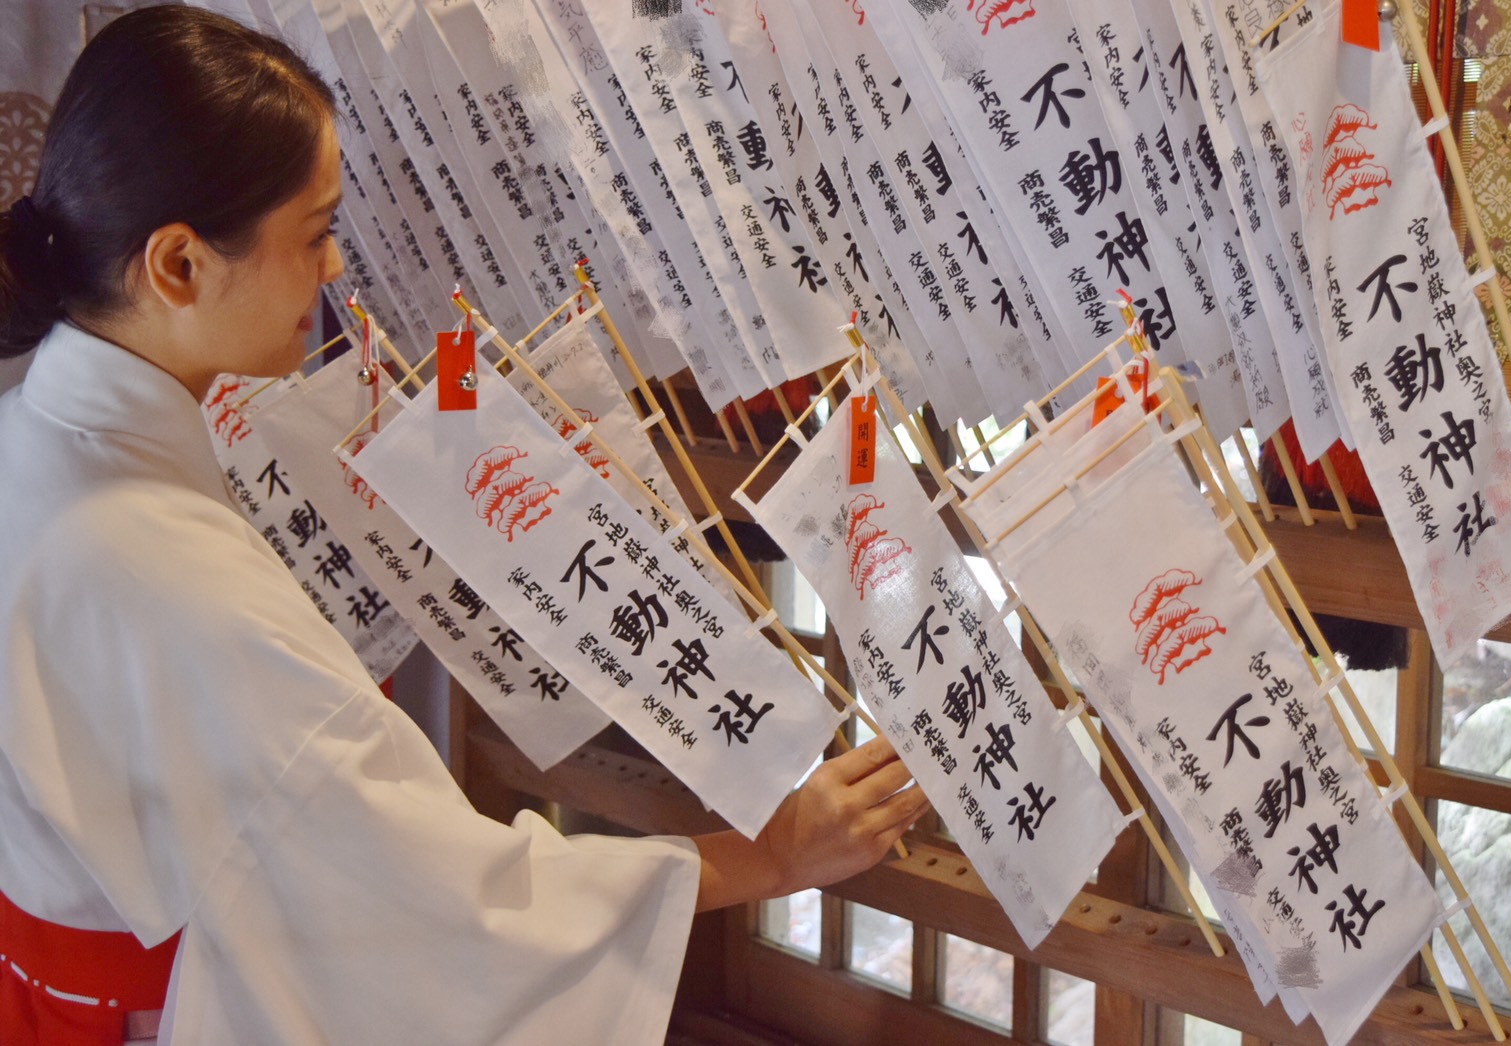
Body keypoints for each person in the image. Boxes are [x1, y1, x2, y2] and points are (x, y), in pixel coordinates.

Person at [0, 7, 928, 1044]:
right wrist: (774, 854)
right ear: (177, 266)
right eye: (312, 234)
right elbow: (429, 896)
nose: (337, 270)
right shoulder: (164, 566)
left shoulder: (30, 441)